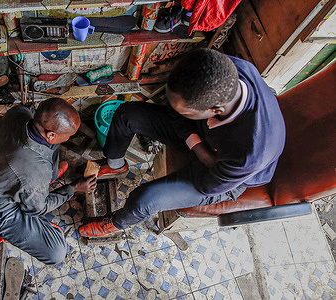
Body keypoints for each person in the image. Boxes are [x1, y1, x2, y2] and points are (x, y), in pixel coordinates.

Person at [79, 48, 286, 237]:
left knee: (144, 199)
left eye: (184, 111)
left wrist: (200, 150)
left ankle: (115, 224)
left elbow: (207, 185)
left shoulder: (250, 154)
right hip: (204, 140)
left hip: (221, 177)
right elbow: (174, 114)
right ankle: (116, 165)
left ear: (215, 110)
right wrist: (198, 146)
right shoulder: (224, 69)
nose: (174, 109)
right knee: (127, 114)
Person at [0, 98, 96, 264]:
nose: (69, 138)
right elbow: (37, 209)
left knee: (51, 153)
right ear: (51, 135)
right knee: (56, 253)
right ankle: (37, 199)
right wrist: (73, 188)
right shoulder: (35, 171)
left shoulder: (19, 112)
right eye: (69, 136)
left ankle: (43, 181)